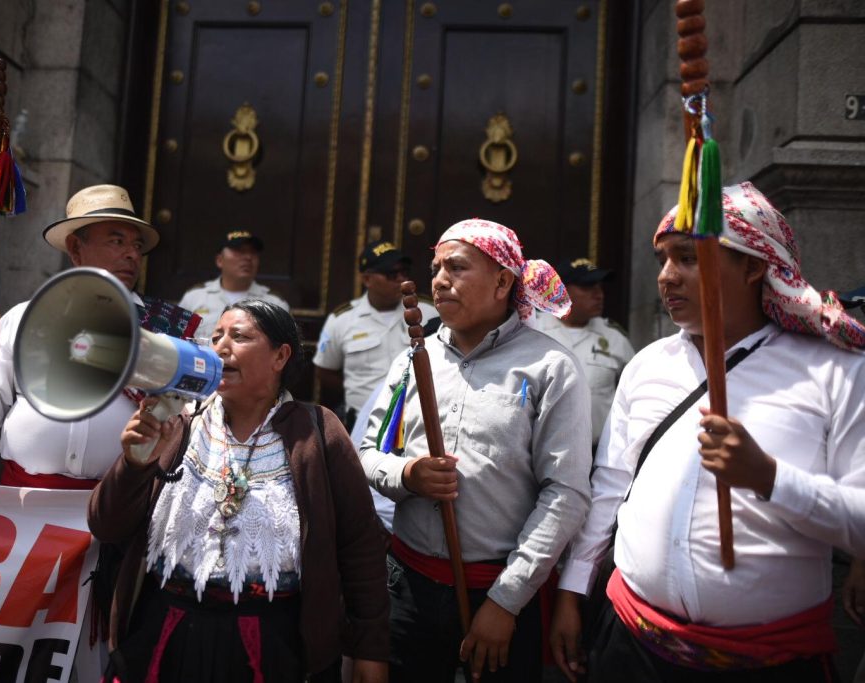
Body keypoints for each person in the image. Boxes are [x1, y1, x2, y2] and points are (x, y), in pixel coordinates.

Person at [550, 181, 865, 683]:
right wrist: (573, 590)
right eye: (662, 259)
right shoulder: (648, 365)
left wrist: (769, 478)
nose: (666, 277)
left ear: (755, 265)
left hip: (769, 664)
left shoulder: (834, 373)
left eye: (687, 259)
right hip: (628, 645)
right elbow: (609, 488)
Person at [89, 299, 389, 682]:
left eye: (239, 336)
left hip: (274, 647)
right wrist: (133, 465)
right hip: (167, 635)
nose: (220, 347)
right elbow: (106, 526)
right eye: (215, 337)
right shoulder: (177, 422)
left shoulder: (319, 432)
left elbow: (360, 546)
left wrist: (370, 649)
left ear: (281, 356)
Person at [359, 218, 592, 681]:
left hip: (500, 593)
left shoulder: (550, 367)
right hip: (408, 587)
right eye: (436, 268)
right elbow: (368, 452)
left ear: (504, 280)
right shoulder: (412, 359)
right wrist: (408, 475)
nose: (440, 280)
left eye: (457, 267)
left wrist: (506, 602)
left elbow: (566, 494)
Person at [0, 183, 199, 489]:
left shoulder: (162, 327)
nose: (132, 255)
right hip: (23, 508)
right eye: (117, 241)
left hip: (117, 507)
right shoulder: (24, 318)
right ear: (76, 248)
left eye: (136, 246)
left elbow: (189, 425)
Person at [314, 240, 438, 429]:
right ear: (367, 279)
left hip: (418, 420)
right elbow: (325, 371)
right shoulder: (341, 319)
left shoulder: (429, 311)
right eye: (391, 274)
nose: (401, 279)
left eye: (404, 272)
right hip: (363, 422)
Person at [533, 257, 635, 447]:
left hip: (599, 453)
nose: (599, 295)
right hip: (541, 451)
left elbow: (636, 393)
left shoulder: (614, 338)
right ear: (560, 291)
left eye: (599, 287)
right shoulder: (534, 331)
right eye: (588, 287)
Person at [180, 230, 289, 341]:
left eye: (253, 253)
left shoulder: (274, 304)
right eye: (239, 251)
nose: (248, 257)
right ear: (219, 260)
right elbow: (176, 342)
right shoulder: (194, 297)